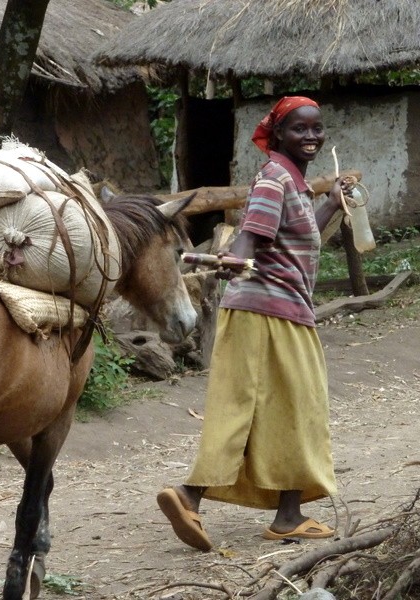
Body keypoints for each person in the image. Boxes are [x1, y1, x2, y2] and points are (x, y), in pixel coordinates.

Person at [157, 96, 347, 551]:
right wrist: (235, 258)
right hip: (270, 310)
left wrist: (332, 202)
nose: (311, 137)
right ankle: (191, 495)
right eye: (300, 129)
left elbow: (296, 238)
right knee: (279, 406)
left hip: (278, 309)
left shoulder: (295, 184)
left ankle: (285, 514)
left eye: (317, 128)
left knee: (279, 408)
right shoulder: (275, 178)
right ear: (277, 134)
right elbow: (252, 234)